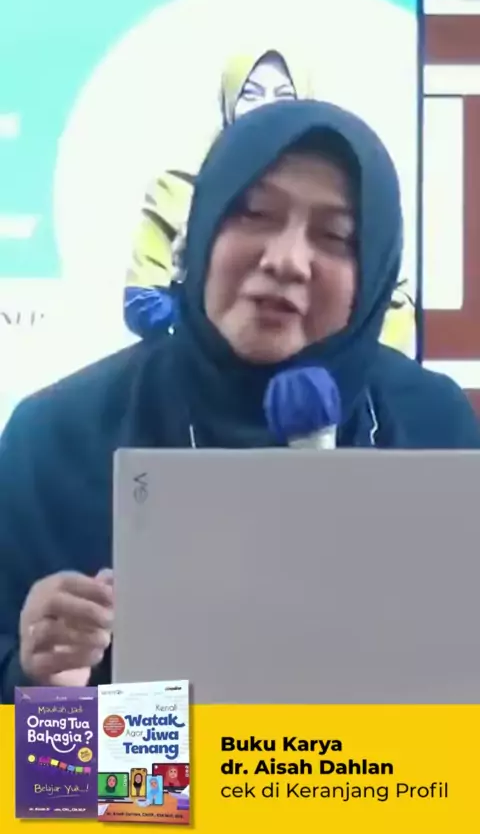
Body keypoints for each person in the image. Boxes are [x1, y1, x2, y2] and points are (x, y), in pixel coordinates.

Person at [0, 100, 478, 704]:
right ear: (200, 232)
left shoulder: (433, 425)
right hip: (138, 770)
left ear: (376, 274)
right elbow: (43, 761)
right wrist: (44, 685)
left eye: (335, 236)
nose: (285, 260)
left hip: (382, 766)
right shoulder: (55, 438)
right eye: (254, 213)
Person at [124, 45, 415, 354]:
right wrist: (211, 350)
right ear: (229, 101)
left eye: (283, 95)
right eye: (251, 94)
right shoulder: (178, 185)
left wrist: (342, 367)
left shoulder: (348, 188)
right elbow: (141, 298)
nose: (266, 106)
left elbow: (396, 301)